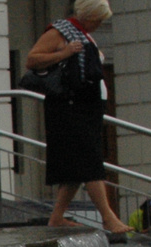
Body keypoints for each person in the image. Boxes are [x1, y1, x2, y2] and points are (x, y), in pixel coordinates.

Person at [25, 0, 130, 233]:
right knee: (90, 161)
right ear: (88, 15)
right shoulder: (60, 31)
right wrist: (64, 52)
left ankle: (57, 216)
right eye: (98, 19)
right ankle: (108, 217)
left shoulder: (82, 33)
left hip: (85, 107)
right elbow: (33, 59)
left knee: (77, 166)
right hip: (71, 108)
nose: (100, 24)